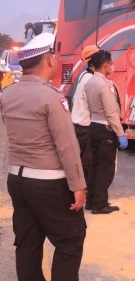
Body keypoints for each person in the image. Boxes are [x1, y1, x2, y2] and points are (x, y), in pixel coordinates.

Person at [0, 33, 87, 281]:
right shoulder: (52, 98)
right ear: (49, 60)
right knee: (70, 240)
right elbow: (67, 147)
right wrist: (78, 184)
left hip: (17, 179)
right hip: (50, 183)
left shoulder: (7, 94)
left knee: (27, 242)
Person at [84, 50, 128, 214]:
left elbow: (90, 107)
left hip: (94, 126)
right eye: (111, 63)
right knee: (106, 169)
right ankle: (100, 205)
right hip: (105, 129)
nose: (112, 67)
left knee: (94, 166)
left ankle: (91, 201)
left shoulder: (90, 82)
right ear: (106, 65)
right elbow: (111, 112)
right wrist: (120, 133)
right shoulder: (106, 85)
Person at [72, 45, 98, 207]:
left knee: (81, 159)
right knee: (87, 161)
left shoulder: (83, 76)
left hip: (78, 124)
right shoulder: (90, 79)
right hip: (85, 125)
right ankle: (83, 190)